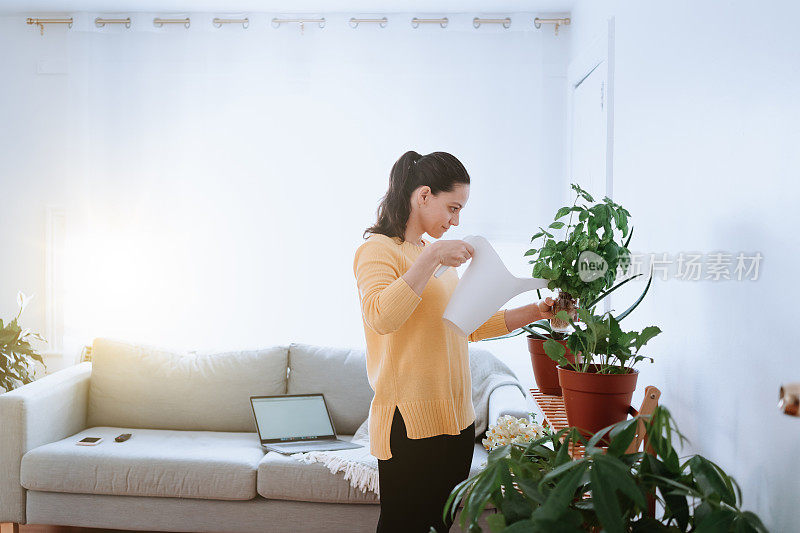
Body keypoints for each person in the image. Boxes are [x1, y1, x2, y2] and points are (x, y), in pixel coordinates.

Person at [353, 150, 558, 533]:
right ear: (423, 195)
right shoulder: (378, 250)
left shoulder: (433, 258)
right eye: (452, 207)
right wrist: (431, 257)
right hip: (409, 422)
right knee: (403, 525)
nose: (456, 220)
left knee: (439, 525)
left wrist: (537, 312)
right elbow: (381, 317)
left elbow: (468, 326)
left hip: (457, 418)